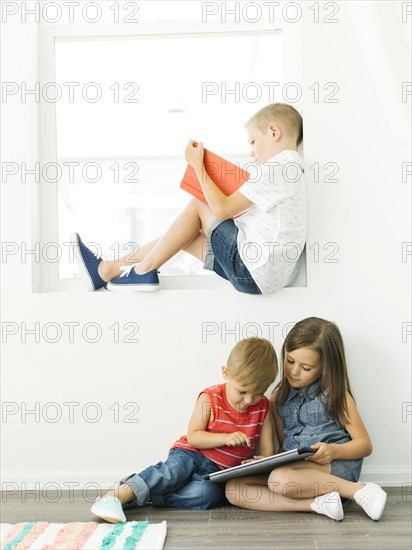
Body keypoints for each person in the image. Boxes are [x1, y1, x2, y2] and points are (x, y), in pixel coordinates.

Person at [71, 102, 306, 295]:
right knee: (182, 236)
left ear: (274, 132)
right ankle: (107, 270)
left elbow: (222, 209)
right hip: (256, 277)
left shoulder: (279, 167)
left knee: (199, 203)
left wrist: (197, 164)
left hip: (249, 268)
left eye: (253, 141)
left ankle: (143, 270)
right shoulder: (292, 171)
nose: (252, 152)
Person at [91, 337, 278, 523]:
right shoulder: (211, 398)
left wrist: (259, 462)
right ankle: (113, 497)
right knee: (172, 472)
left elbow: (268, 451)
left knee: (207, 495)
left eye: (258, 393)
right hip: (191, 454)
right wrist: (225, 438)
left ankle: (148, 496)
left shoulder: (263, 408)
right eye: (242, 392)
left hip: (217, 473)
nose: (248, 401)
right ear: (226, 373)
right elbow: (194, 437)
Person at [225, 317, 387, 521]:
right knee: (233, 489)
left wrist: (333, 451)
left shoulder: (336, 396)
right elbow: (285, 448)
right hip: (296, 474)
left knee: (279, 480)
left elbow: (365, 445)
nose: (293, 371)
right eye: (290, 360)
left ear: (324, 367)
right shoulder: (278, 398)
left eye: (306, 368)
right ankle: (319, 504)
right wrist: (267, 461)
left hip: (335, 467)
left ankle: (358, 490)